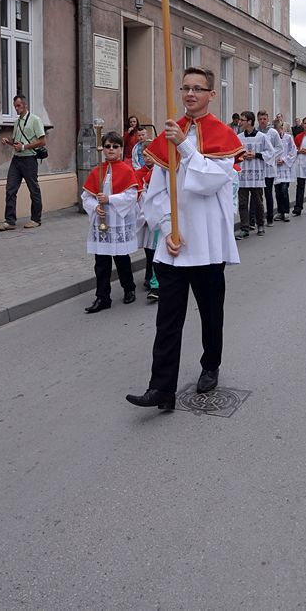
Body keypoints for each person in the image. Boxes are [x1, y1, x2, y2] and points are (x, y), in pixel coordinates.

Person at [126, 66, 244, 411]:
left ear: (211, 94)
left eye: (198, 88)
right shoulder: (168, 136)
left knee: (210, 313)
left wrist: (187, 148)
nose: (190, 94)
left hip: (206, 243)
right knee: (167, 320)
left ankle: (211, 364)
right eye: (185, 88)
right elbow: (156, 191)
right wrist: (165, 227)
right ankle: (161, 388)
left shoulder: (222, 135)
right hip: (174, 245)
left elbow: (211, 183)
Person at [82, 131, 138, 314]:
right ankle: (102, 296)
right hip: (101, 222)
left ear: (121, 149)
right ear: (103, 149)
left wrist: (109, 199)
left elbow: (130, 196)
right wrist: (94, 207)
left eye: (115, 146)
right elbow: (86, 197)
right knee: (101, 262)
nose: (111, 149)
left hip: (118, 220)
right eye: (107, 146)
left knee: (122, 259)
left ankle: (129, 288)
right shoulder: (97, 170)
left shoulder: (126, 170)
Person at [0, 94, 46, 231]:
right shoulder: (17, 122)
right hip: (16, 159)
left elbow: (42, 141)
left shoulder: (35, 120)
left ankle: (36, 219)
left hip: (29, 159)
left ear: (25, 105)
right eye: (15, 106)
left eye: (18, 106)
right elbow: (17, 142)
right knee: (10, 189)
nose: (16, 109)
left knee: (33, 189)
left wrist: (23, 147)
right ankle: (10, 221)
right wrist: (9, 142)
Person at [235, 111, 275, 238]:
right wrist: (242, 155)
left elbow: (271, 152)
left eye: (243, 120)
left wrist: (256, 155)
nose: (240, 122)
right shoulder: (239, 137)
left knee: (258, 201)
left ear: (250, 122)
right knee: (242, 202)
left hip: (257, 173)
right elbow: (234, 153)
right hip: (243, 174)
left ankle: (260, 224)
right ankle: (244, 228)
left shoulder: (262, 137)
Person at [136, 141, 160, 302]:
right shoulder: (139, 173)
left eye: (150, 155)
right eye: (144, 156)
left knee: (156, 248)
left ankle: (155, 282)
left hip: (159, 216)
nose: (147, 159)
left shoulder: (160, 170)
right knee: (149, 248)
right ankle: (150, 276)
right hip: (144, 215)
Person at [257, 109, 283, 227]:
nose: (262, 121)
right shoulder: (256, 132)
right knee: (257, 194)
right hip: (257, 166)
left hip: (269, 166)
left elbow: (279, 148)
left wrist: (269, 156)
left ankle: (270, 217)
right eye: (260, 119)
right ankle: (258, 218)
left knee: (268, 193)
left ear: (267, 119)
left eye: (264, 119)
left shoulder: (273, 132)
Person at [273, 119, 296, 222]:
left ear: (282, 128)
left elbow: (293, 151)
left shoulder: (288, 138)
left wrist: (285, 160)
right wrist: (274, 160)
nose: (278, 131)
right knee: (277, 191)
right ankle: (280, 211)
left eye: (280, 128)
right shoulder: (272, 139)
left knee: (284, 190)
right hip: (276, 168)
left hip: (285, 167)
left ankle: (286, 211)